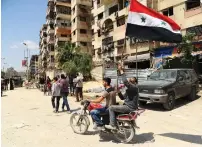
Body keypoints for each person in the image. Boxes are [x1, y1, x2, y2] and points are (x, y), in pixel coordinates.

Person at [106, 63, 139, 130]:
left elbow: (125, 82)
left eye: (132, 78)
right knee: (117, 105)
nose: (130, 78)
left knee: (111, 108)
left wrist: (121, 70)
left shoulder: (134, 87)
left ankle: (113, 125)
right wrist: (119, 92)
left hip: (129, 107)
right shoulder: (130, 89)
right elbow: (122, 98)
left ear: (135, 82)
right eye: (130, 78)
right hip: (129, 106)